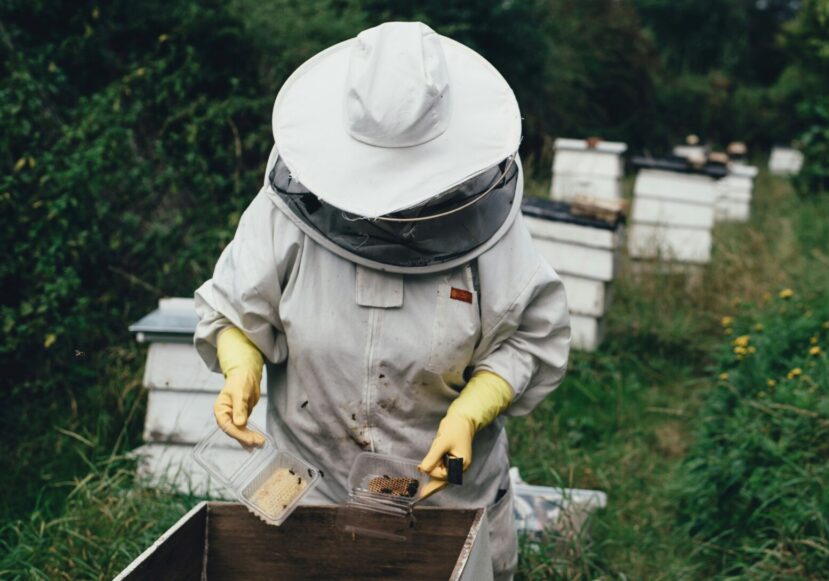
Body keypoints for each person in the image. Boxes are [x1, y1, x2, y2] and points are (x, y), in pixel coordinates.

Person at [193, 21, 571, 579]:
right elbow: (237, 307)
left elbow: (527, 339)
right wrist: (240, 366)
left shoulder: (490, 226)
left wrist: (471, 411)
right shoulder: (287, 214)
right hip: (307, 494)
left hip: (445, 505)